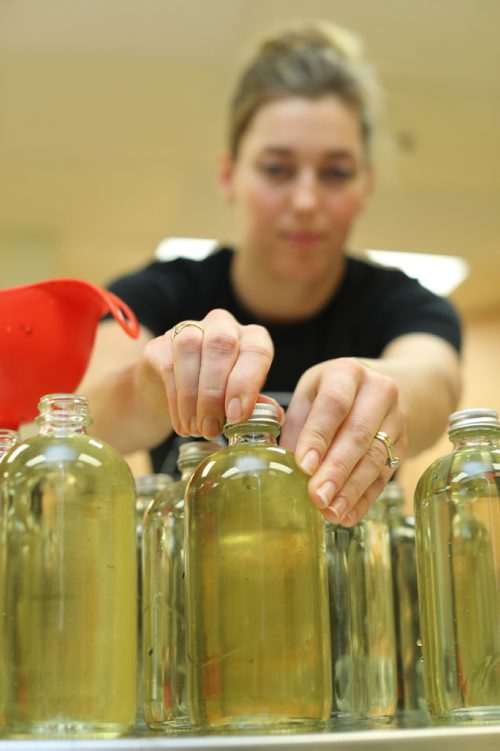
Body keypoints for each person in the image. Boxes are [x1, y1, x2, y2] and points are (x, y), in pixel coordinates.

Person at [79, 19, 462, 527]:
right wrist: (151, 386)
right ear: (228, 174)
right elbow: (85, 408)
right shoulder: (157, 292)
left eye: (336, 173)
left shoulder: (406, 304)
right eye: (277, 170)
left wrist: (378, 387)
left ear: (366, 184)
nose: (305, 202)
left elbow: (431, 382)